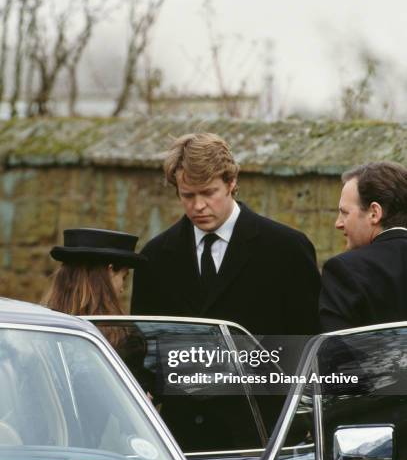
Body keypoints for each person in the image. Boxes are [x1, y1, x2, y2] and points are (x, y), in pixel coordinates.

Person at [131, 132, 321, 337]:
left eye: (208, 192)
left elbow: (308, 342)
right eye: (188, 195)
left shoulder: (287, 249)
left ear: (231, 183)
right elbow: (143, 348)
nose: (198, 206)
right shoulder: (154, 257)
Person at [44, 227, 152, 394]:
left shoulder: (40, 329)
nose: (122, 289)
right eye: (123, 277)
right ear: (110, 271)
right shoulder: (125, 338)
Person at [319, 161, 407, 331]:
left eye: (345, 213)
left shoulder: (344, 270)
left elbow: (336, 352)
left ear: (374, 213)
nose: (338, 223)